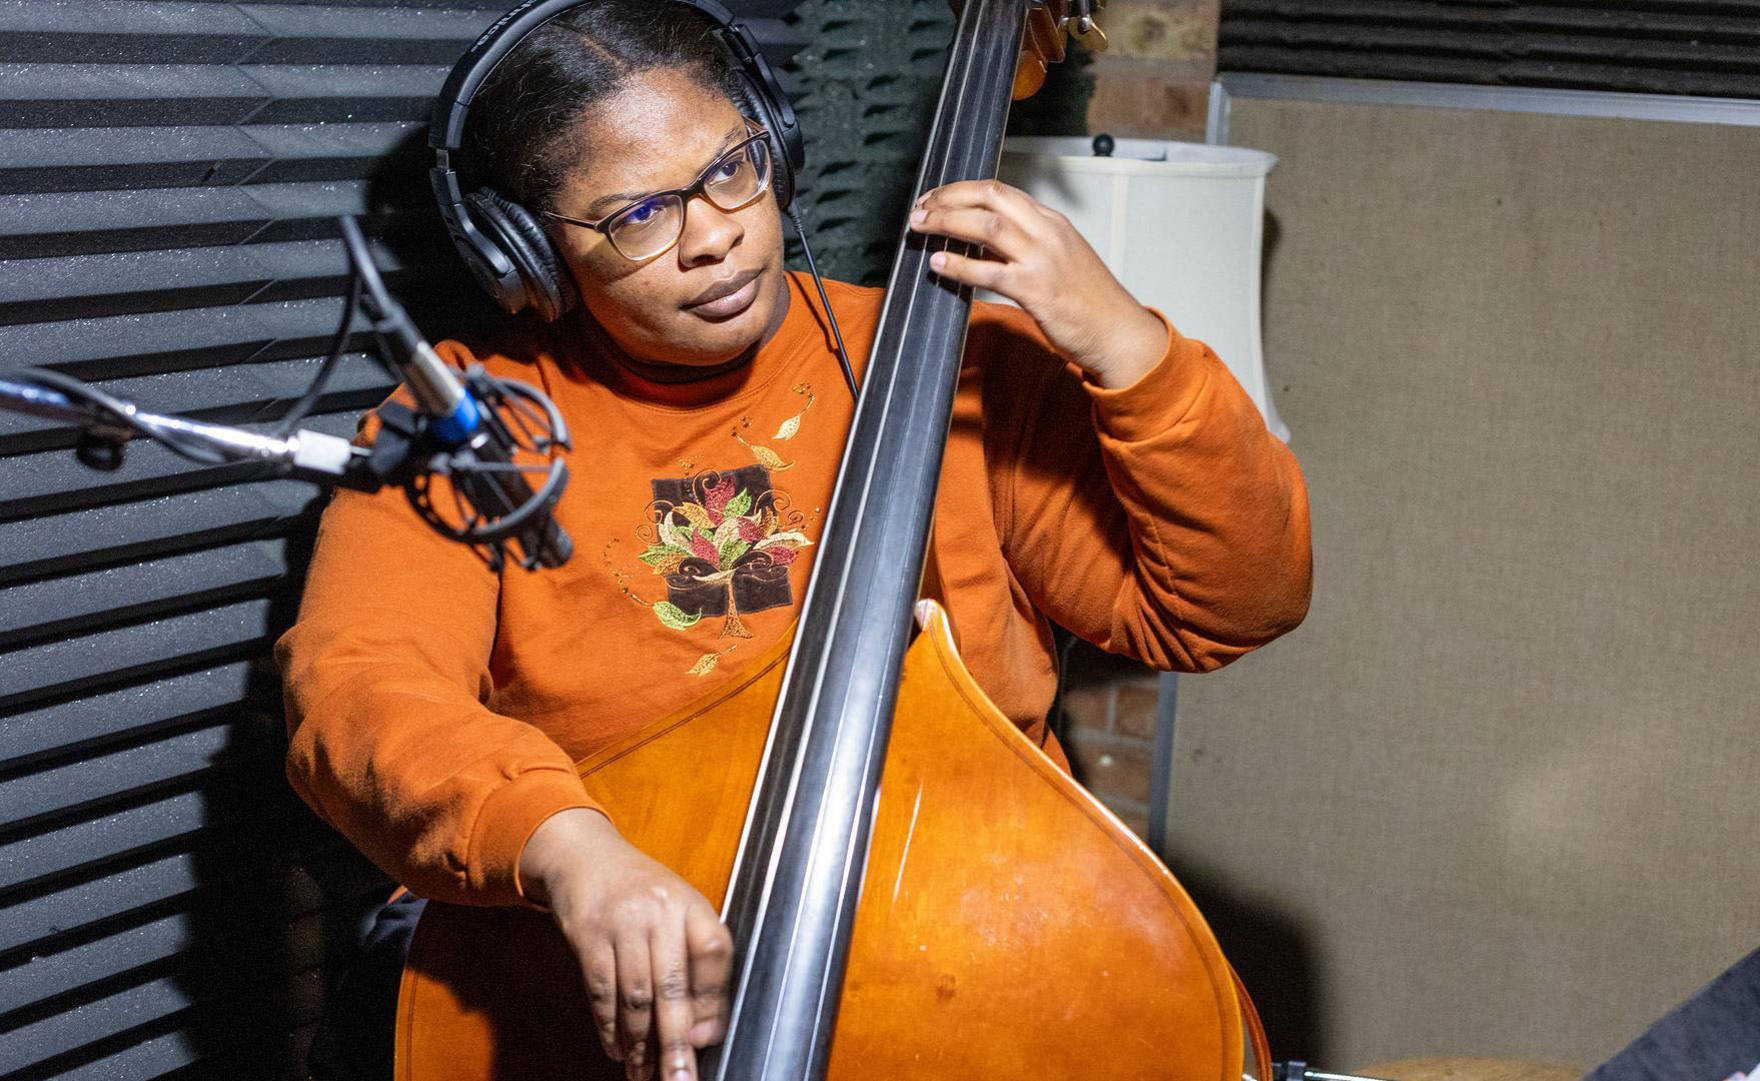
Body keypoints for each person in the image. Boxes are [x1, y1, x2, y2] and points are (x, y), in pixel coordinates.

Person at [274, 2, 1312, 1080]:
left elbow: (1229, 606)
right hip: (617, 979)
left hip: (965, 944)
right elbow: (355, 690)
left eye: (732, 166)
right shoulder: (474, 425)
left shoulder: (954, 361)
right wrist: (566, 846)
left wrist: (1128, 346)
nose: (716, 230)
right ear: (531, 255)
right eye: (636, 215)